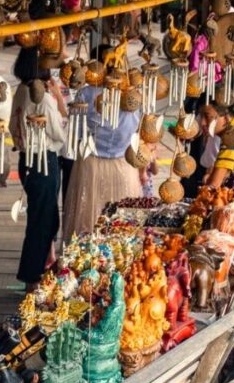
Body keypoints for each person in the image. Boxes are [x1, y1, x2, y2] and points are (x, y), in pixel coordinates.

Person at [9, 47, 67, 291]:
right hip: (44, 160)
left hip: (26, 160)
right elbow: (58, 133)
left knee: (42, 217)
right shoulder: (42, 97)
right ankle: (32, 276)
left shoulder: (21, 90)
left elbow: (12, 126)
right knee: (42, 221)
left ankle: (39, 268)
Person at [62, 75, 143, 239]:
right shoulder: (135, 96)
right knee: (123, 224)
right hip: (123, 164)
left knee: (89, 221)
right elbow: (138, 130)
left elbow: (76, 131)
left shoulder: (85, 93)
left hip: (91, 164)